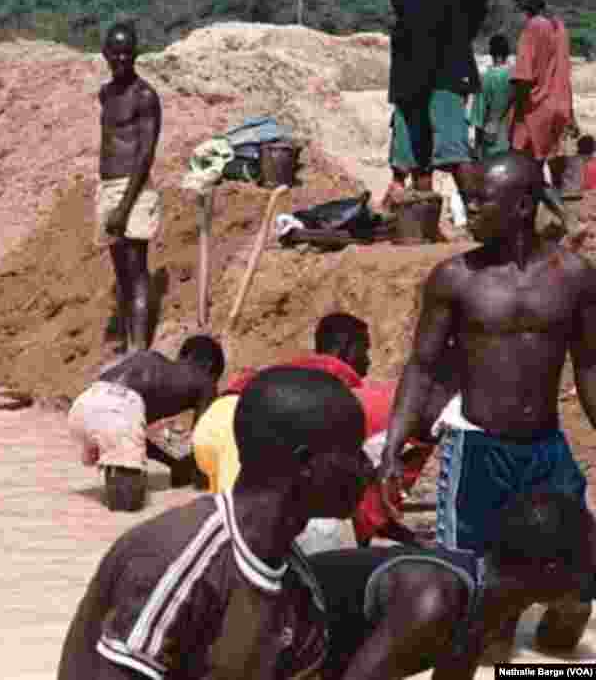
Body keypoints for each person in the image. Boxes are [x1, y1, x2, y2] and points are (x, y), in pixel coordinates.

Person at [380, 150, 595, 654]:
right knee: (473, 595)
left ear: (522, 207)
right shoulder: (455, 279)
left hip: (546, 449)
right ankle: (491, 654)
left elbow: (588, 365)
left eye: (480, 202)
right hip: (477, 451)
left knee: (578, 583)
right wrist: (394, 442)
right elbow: (423, 367)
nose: (467, 212)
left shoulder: (576, 278)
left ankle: (547, 666)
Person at [57, 367, 373, 680]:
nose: (367, 468)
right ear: (306, 464)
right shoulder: (181, 559)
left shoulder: (295, 579)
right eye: (353, 453)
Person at [193, 313, 448, 549]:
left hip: (220, 417)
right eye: (365, 350)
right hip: (240, 419)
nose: (368, 361)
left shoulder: (299, 367)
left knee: (234, 511)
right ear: (346, 347)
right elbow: (364, 501)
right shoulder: (335, 382)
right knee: (247, 532)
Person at [309, 490, 595, 680]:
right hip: (278, 641)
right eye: (587, 563)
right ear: (551, 571)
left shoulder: (488, 604)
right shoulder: (436, 600)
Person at [68, 335, 224, 512]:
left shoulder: (154, 364)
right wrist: (205, 482)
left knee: (123, 450)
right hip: (120, 407)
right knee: (126, 509)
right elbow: (203, 438)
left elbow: (137, 434)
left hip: (84, 403)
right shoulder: (205, 380)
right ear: (210, 366)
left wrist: (177, 461)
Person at [384, 0, 487, 200]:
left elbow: (476, 5)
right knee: (424, 156)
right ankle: (429, 225)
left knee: (446, 153)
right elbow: (478, 6)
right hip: (431, 62)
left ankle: (478, 219)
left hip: (427, 62)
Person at [97, 22, 162, 354]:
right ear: (105, 53)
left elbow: (145, 154)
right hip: (108, 187)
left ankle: (139, 350)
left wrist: (124, 205)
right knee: (120, 273)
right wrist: (112, 201)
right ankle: (127, 344)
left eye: (127, 52)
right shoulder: (105, 94)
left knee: (136, 272)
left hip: (132, 191)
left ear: (136, 54)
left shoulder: (145, 96)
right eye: (115, 52)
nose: (121, 58)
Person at [509, 0, 574, 167]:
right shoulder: (559, 27)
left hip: (534, 111)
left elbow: (523, 77)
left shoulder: (533, 27)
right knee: (541, 172)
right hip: (559, 108)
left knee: (524, 174)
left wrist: (507, 114)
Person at [469, 34, 514, 160]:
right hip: (512, 139)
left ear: (491, 53)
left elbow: (478, 117)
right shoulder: (515, 76)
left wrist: (477, 152)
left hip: (492, 141)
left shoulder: (486, 78)